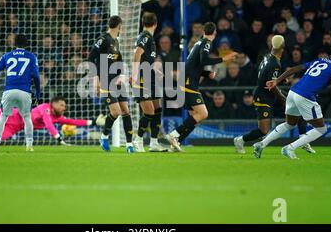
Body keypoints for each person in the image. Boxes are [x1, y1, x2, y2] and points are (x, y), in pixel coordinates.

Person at [255, 47, 331, 159]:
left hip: (292, 92)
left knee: (289, 124)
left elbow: (294, 69)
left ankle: (262, 144)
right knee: (321, 129)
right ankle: (289, 148)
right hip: (305, 96)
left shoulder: (318, 61)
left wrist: (277, 80)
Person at [164, 22, 237, 151]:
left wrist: (206, 73)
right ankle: (173, 135)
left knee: (196, 118)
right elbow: (203, 60)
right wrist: (224, 59)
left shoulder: (198, 43)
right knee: (203, 114)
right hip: (188, 83)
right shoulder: (206, 43)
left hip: (185, 81)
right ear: (214, 34)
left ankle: (177, 143)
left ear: (204, 32)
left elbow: (193, 65)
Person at [0, 96, 101, 145]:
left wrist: (92, 122)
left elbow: (73, 122)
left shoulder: (58, 117)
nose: (64, 108)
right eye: (61, 105)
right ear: (53, 103)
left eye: (64, 106)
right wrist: (58, 138)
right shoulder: (45, 108)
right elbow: (47, 122)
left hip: (14, 128)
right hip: (9, 114)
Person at [0, 34, 40, 152]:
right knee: (27, 117)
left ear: (14, 44)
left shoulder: (6, 56)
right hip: (25, 91)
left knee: (3, 116)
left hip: (9, 90)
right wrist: (38, 93)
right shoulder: (32, 57)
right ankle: (29, 146)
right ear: (26, 44)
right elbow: (36, 76)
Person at [87, 15, 134, 153]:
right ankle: (104, 136)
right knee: (116, 111)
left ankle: (129, 145)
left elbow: (119, 60)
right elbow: (91, 58)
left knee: (126, 110)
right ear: (120, 25)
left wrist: (122, 75)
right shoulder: (103, 39)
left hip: (116, 81)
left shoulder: (115, 42)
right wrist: (95, 80)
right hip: (105, 81)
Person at [131, 12, 167, 152]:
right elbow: (137, 54)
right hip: (142, 79)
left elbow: (146, 58)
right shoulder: (144, 37)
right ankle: (138, 140)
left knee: (157, 109)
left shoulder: (150, 38)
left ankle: (154, 142)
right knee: (149, 112)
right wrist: (134, 75)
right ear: (156, 24)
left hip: (150, 77)